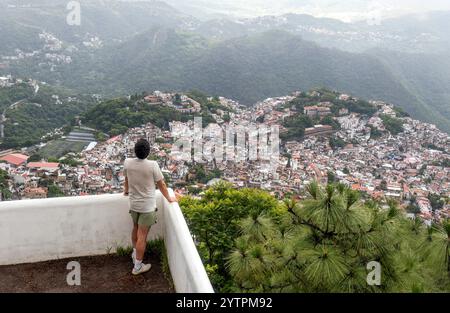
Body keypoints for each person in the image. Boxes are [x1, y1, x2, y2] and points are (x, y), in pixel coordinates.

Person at [123, 138, 177, 275]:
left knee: (135, 229)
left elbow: (127, 179)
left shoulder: (127, 163)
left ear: (135, 150)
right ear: (148, 152)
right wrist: (169, 198)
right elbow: (162, 185)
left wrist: (126, 190)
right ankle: (137, 267)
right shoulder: (152, 165)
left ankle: (135, 254)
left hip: (133, 204)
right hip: (147, 207)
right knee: (142, 236)